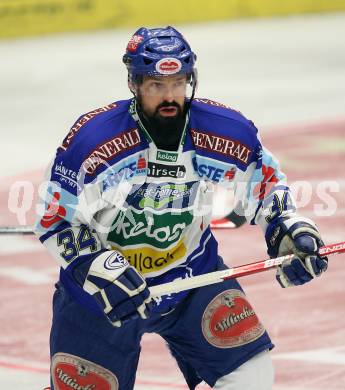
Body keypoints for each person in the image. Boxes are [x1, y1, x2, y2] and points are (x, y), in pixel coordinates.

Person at [35, 26, 328, 390]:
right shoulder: (93, 143)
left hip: (192, 279)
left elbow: (267, 186)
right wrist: (94, 266)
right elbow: (55, 219)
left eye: (178, 82)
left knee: (251, 377)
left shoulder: (225, 131)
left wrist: (287, 227)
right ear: (135, 84)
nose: (170, 96)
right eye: (157, 85)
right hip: (103, 299)